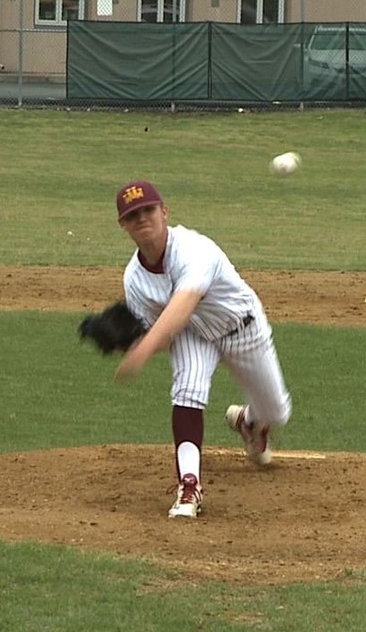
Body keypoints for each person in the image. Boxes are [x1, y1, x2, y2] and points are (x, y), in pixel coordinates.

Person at [111, 180, 293, 519]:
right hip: (193, 335)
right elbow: (162, 332)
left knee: (278, 412)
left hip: (242, 327)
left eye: (148, 210)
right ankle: (189, 486)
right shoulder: (134, 279)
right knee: (187, 391)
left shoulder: (194, 249)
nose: (142, 219)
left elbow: (183, 304)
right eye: (132, 216)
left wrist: (141, 350)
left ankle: (250, 422)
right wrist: (131, 339)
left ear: (164, 211)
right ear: (123, 225)